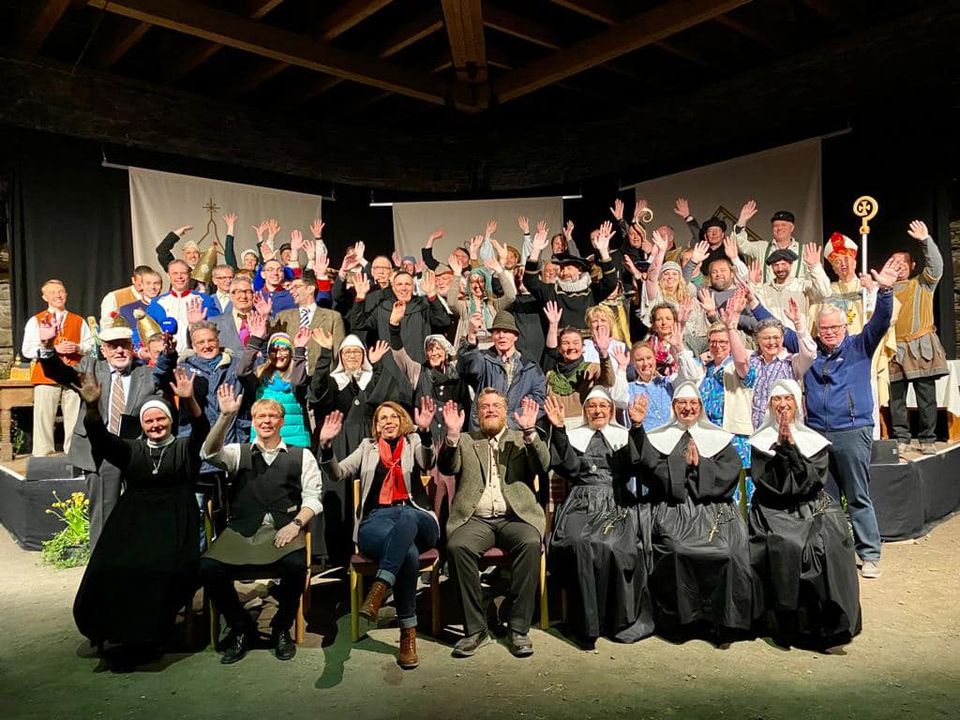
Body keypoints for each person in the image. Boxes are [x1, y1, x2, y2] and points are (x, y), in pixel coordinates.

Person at [71, 367, 206, 667]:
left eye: (161, 419)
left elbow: (201, 430)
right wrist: (92, 406)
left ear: (170, 421)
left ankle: (149, 638)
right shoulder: (131, 450)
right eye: (149, 421)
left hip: (174, 525)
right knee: (108, 567)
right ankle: (111, 632)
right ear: (142, 425)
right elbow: (100, 439)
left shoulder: (184, 448)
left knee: (154, 569)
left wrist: (189, 401)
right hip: (133, 524)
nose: (155, 425)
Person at [200, 386, 322, 664]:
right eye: (260, 416)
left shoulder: (302, 455)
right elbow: (208, 454)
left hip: (284, 528)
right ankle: (240, 626)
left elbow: (313, 498)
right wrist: (225, 416)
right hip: (242, 529)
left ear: (281, 421)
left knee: (295, 566)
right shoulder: (237, 451)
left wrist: (296, 524)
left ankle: (281, 628)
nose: (266, 421)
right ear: (253, 422)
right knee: (207, 567)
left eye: (272, 416)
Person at [318, 398, 440, 670]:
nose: (388, 422)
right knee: (407, 552)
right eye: (382, 418)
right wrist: (326, 446)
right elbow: (338, 473)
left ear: (402, 421)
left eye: (393, 417)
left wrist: (425, 432)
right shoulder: (367, 447)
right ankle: (408, 633)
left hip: (418, 516)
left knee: (407, 516)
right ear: (376, 425)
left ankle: (380, 586)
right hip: (378, 520)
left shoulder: (413, 442)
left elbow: (428, 461)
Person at [628, 383, 752, 642]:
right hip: (673, 508)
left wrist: (700, 465)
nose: (688, 408)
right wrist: (639, 429)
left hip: (713, 509)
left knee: (729, 550)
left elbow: (729, 473)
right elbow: (648, 468)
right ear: (674, 407)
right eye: (682, 403)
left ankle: (722, 621)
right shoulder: (660, 437)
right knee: (676, 549)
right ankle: (682, 621)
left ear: (701, 407)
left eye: (693, 403)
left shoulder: (717, 438)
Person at [748, 379, 861, 651]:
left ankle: (828, 623)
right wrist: (783, 450)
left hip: (810, 505)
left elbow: (813, 481)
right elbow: (769, 484)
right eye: (777, 399)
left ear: (797, 403)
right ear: (769, 405)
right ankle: (789, 626)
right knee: (788, 545)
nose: (783, 404)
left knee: (829, 544)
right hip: (773, 509)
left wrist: (793, 450)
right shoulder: (760, 442)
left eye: (788, 398)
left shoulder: (814, 441)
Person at [804, 256, 898, 579]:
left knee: (857, 495)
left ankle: (869, 554)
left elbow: (880, 322)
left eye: (835, 327)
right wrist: (752, 304)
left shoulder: (860, 346)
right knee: (826, 498)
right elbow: (778, 334)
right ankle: (834, 553)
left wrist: (885, 292)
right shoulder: (811, 353)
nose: (829, 332)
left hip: (853, 430)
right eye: (824, 328)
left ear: (845, 327)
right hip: (818, 434)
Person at [38, 313, 166, 548]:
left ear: (132, 348)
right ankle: (101, 562)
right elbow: (60, 373)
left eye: (124, 345)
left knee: (144, 512)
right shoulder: (91, 368)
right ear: (104, 350)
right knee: (104, 514)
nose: (119, 351)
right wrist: (47, 347)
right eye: (113, 346)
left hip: (136, 452)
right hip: (100, 453)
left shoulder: (146, 374)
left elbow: (165, 382)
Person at [440, 391, 549, 658]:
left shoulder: (520, 438)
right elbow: (447, 467)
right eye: (485, 407)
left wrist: (530, 432)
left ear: (505, 411)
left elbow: (542, 466)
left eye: (496, 406)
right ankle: (476, 630)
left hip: (515, 518)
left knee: (530, 543)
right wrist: (452, 436)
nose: (490, 410)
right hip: (476, 519)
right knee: (458, 547)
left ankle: (518, 628)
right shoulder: (466, 440)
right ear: (477, 414)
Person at [545, 388, 654, 647]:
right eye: (592, 406)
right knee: (579, 543)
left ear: (611, 410)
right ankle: (585, 625)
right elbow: (569, 468)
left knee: (612, 546)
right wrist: (558, 430)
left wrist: (637, 427)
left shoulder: (622, 436)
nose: (597, 411)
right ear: (585, 411)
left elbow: (638, 463)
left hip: (615, 502)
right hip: (580, 503)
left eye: (603, 406)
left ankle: (614, 621)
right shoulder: (576, 436)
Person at [309, 332, 411, 562]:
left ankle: (367, 547)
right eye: (347, 352)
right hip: (337, 442)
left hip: (367, 443)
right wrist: (325, 353)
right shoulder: (333, 381)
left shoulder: (371, 378)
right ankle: (335, 554)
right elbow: (317, 390)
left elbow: (384, 399)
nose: (352, 356)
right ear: (341, 357)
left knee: (367, 494)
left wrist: (376, 365)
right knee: (337, 493)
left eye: (357, 352)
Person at [888, 220, 948, 455]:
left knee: (926, 397)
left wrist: (925, 241)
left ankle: (927, 439)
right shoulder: (884, 290)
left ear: (912, 265)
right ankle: (901, 438)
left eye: (903, 263)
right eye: (894, 263)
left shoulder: (922, 284)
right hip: (894, 350)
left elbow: (936, 266)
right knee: (896, 400)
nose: (899, 267)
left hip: (921, 347)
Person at [22, 279, 95, 456]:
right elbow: (27, 350)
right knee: (43, 418)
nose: (58, 295)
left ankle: (73, 454)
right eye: (53, 292)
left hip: (73, 374)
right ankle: (42, 455)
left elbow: (91, 345)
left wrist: (77, 347)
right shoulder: (36, 320)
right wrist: (54, 348)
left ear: (66, 295)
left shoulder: (78, 320)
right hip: (46, 376)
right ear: (44, 297)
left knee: (74, 417)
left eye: (61, 292)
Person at [457, 311, 546, 431]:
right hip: (484, 429)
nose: (501, 336)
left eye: (506, 331)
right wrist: (472, 336)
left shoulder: (530, 366)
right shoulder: (484, 359)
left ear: (515, 336)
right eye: (497, 332)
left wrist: (508, 422)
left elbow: (539, 402)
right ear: (492, 337)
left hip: (515, 431)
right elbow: (467, 366)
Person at [524, 222, 619, 331]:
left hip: (587, 340)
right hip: (561, 340)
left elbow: (611, 282)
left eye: (569, 268)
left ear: (579, 270)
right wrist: (535, 251)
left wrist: (603, 251)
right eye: (561, 269)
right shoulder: (552, 291)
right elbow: (530, 281)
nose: (564, 272)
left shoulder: (591, 292)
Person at [350, 270, 452, 364]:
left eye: (408, 284)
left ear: (413, 287)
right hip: (391, 366)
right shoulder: (383, 308)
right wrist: (360, 297)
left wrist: (432, 296)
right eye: (399, 284)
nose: (404, 288)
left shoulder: (423, 305)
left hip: (419, 365)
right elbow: (358, 324)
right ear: (393, 287)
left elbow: (444, 321)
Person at [542, 301, 617, 428]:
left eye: (576, 343)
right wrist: (553, 325)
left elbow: (609, 381)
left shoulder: (592, 369)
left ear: (583, 347)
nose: (571, 347)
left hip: (584, 428)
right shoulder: (550, 375)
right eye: (566, 343)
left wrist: (603, 353)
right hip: (557, 428)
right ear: (559, 349)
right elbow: (550, 351)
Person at [237, 323, 311, 449]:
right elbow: (242, 372)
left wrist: (299, 350)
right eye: (274, 350)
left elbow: (298, 383)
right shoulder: (260, 378)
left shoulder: (298, 375)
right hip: (263, 443)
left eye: (284, 349)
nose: (278, 354)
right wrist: (255, 341)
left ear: (291, 353)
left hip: (294, 444)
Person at [447, 243, 516, 348]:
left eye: (481, 281)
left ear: (486, 284)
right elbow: (451, 302)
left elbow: (511, 297)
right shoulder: (465, 306)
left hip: (490, 350)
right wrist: (457, 274)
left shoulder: (493, 304)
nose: (477, 285)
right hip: (469, 349)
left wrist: (499, 271)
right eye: (473, 282)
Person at [748, 244, 832, 330]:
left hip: (797, 336)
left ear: (791, 265)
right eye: (776, 265)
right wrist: (753, 284)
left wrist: (815, 267)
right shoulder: (765, 289)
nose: (780, 269)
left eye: (783, 264)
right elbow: (754, 307)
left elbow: (825, 293)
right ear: (772, 267)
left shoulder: (802, 286)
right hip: (772, 336)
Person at [274, 273, 345, 374]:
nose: (291, 291)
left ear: (310, 289)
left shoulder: (332, 317)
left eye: (296, 287)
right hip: (291, 375)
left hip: (321, 375)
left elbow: (338, 350)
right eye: (291, 288)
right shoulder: (283, 317)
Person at [147, 260, 220, 349]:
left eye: (183, 273)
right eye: (175, 273)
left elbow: (217, 326)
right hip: (166, 354)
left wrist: (200, 324)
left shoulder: (205, 300)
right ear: (168, 275)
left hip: (196, 353)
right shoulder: (156, 303)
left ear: (189, 275)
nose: (179, 277)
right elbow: (145, 329)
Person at [732, 204, 809, 281]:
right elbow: (741, 245)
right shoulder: (762, 247)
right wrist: (742, 221)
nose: (779, 228)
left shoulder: (804, 250)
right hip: (767, 289)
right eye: (776, 225)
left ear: (792, 228)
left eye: (783, 225)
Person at [116, 268, 164, 350]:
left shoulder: (167, 305)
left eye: (156, 283)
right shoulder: (126, 310)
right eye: (148, 283)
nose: (152, 287)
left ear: (161, 286)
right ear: (141, 285)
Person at [212, 275, 257, 355]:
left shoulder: (266, 321)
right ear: (230, 296)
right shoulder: (215, 323)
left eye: (248, 292)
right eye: (238, 292)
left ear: (254, 295)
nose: (243, 296)